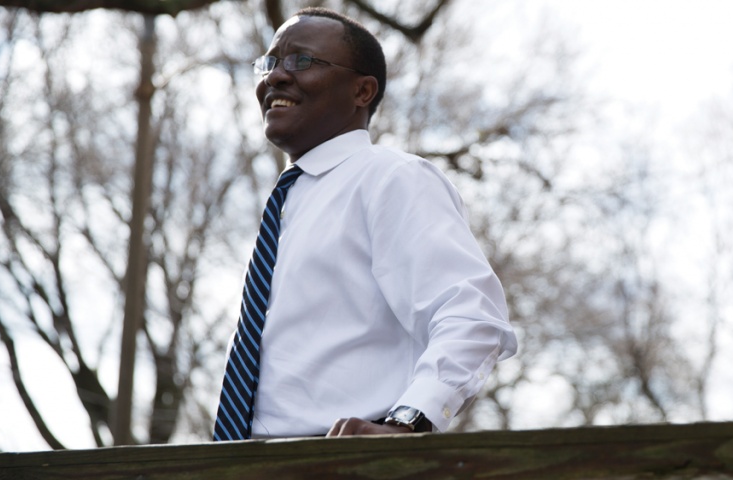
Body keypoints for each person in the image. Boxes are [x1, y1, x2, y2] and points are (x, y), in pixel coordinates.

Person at [213, 7, 517, 440]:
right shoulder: (288, 204)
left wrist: (408, 422)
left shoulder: (393, 179)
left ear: (362, 90)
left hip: (343, 457)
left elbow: (471, 314)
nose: (275, 76)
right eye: (271, 62)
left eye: (301, 60)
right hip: (248, 461)